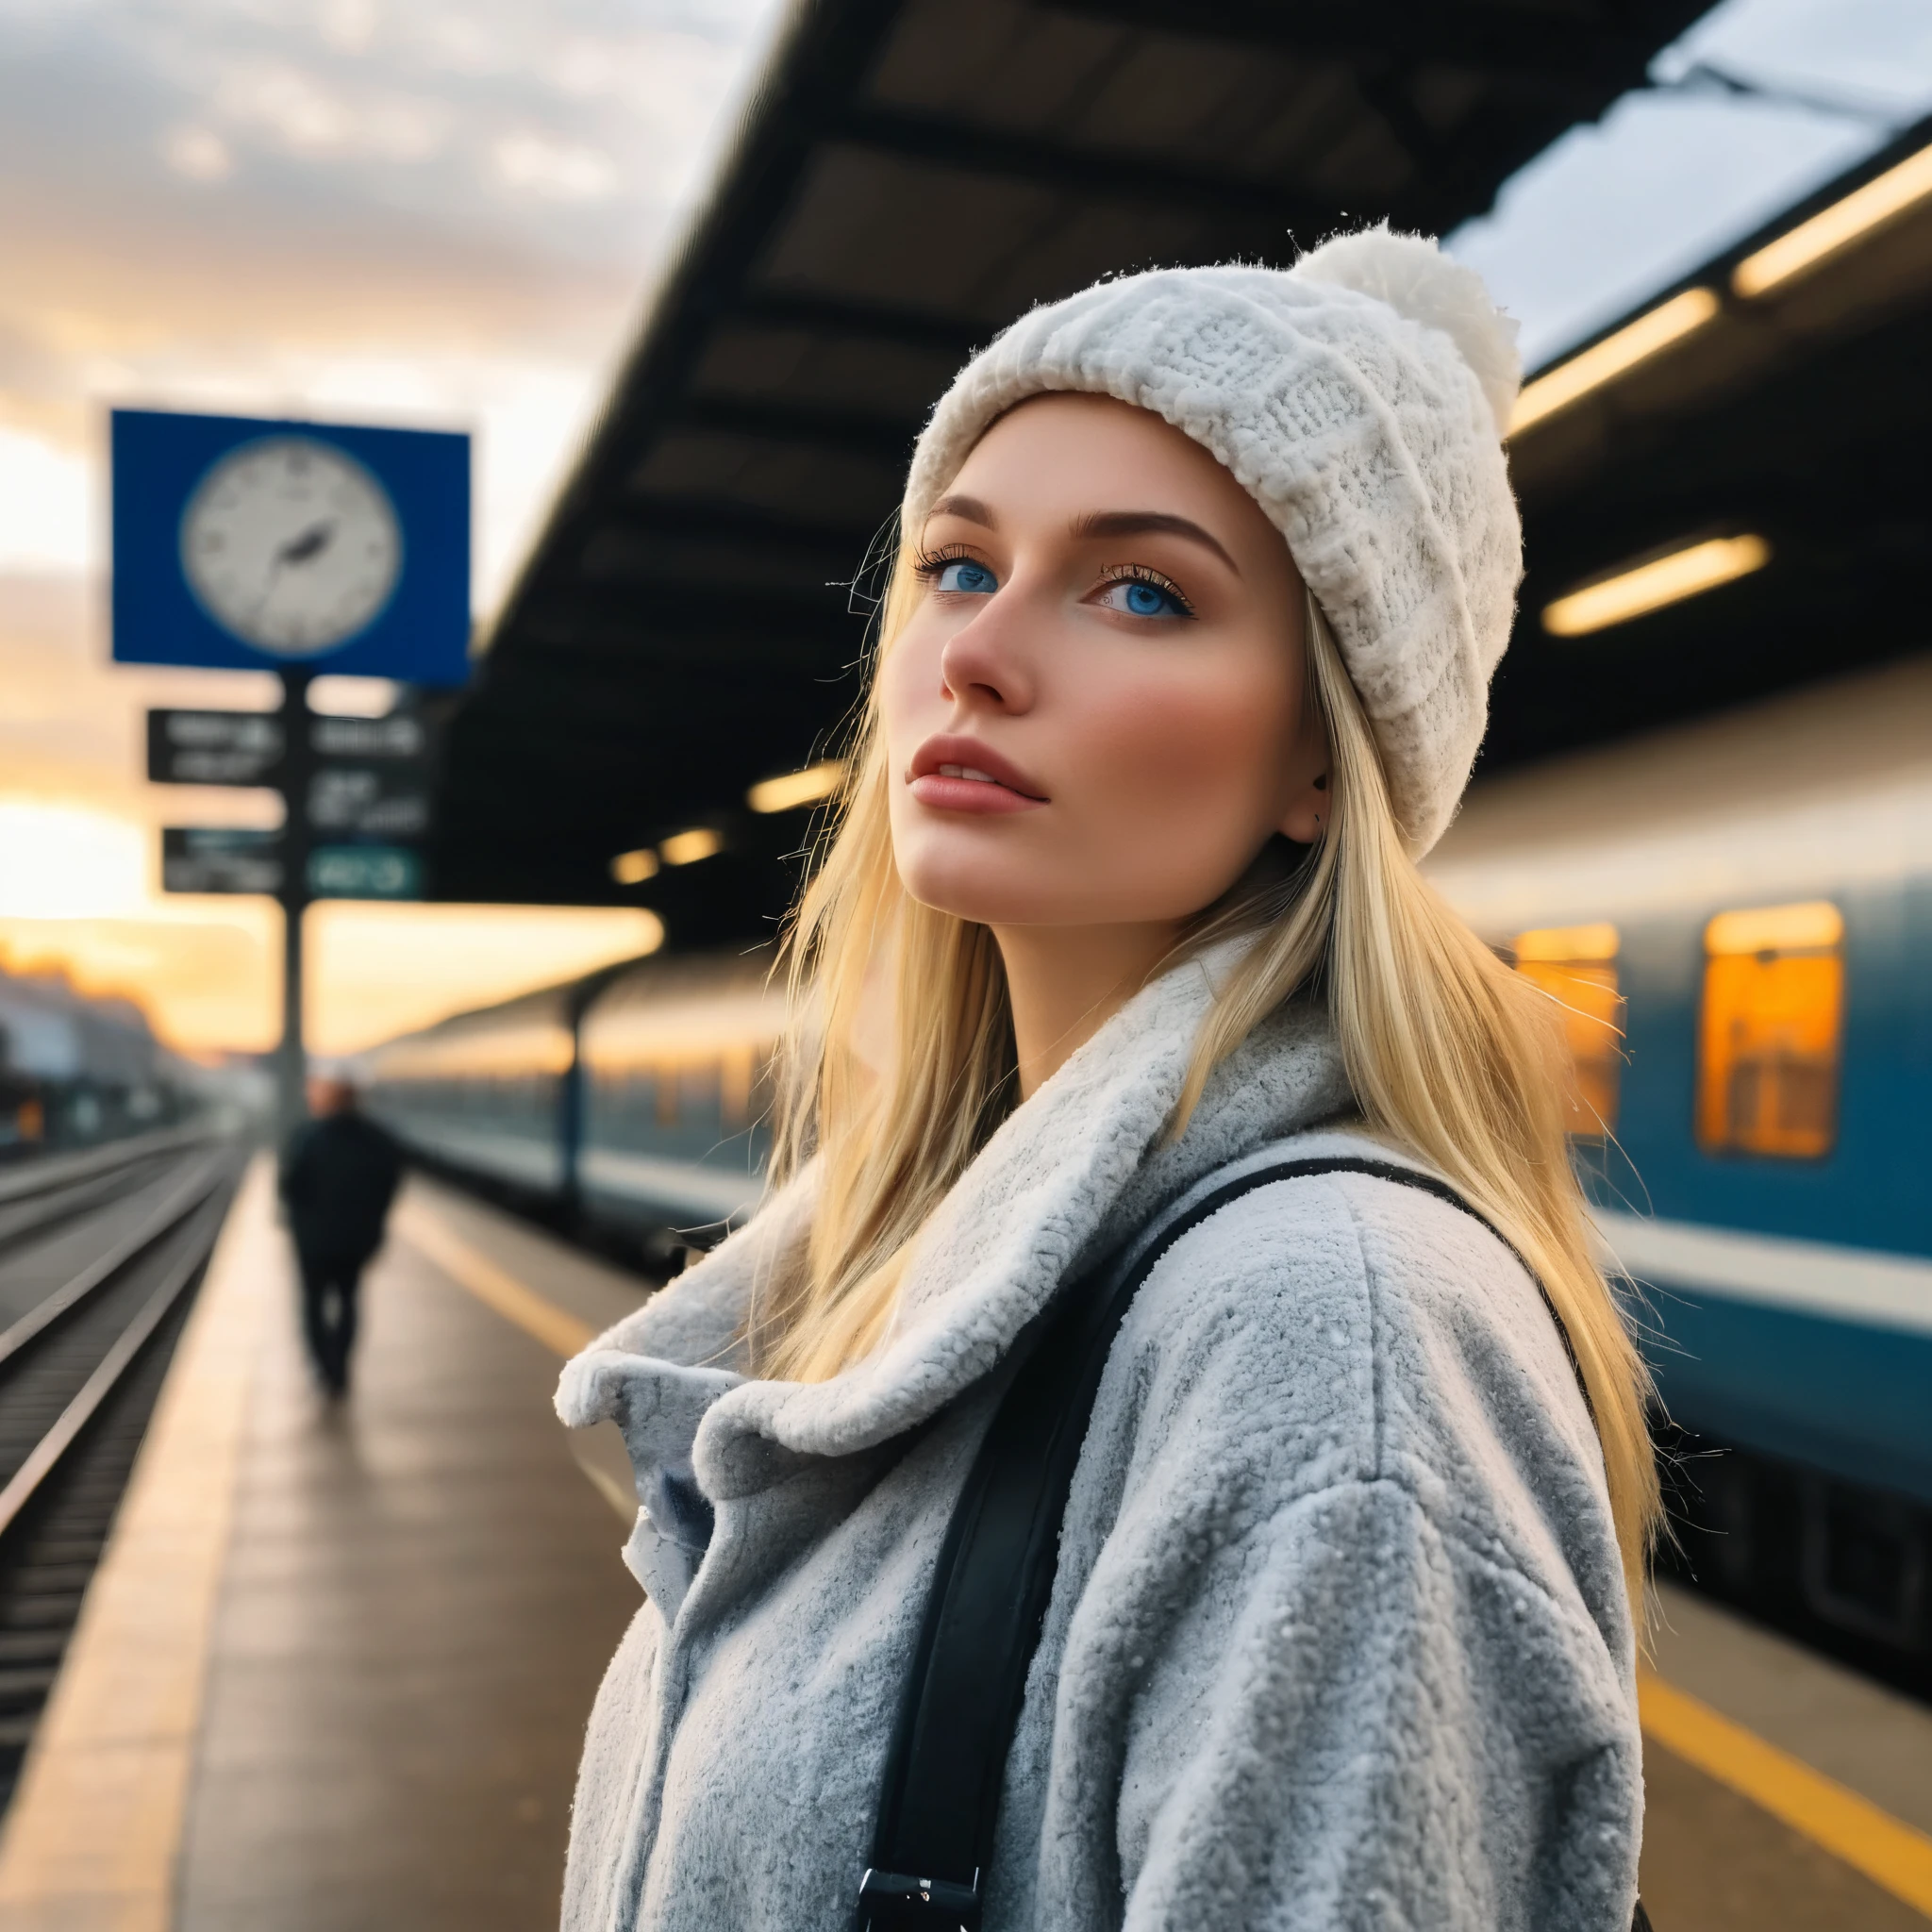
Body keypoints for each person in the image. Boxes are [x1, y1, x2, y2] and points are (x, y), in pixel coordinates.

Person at [555, 229, 1657, 1931]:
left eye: (1140, 588)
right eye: (954, 565)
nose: (978, 654)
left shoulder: (1324, 1340)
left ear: (1320, 751)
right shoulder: (896, 1259)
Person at [279, 1074, 402, 1396]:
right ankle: (342, 1367)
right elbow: (390, 1185)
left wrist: (299, 1220)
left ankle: (324, 1366)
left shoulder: (307, 1136)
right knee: (349, 1300)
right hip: (356, 1241)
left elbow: (289, 1185)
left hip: (313, 1241)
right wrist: (373, 1222)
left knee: (313, 1303)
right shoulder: (377, 1139)